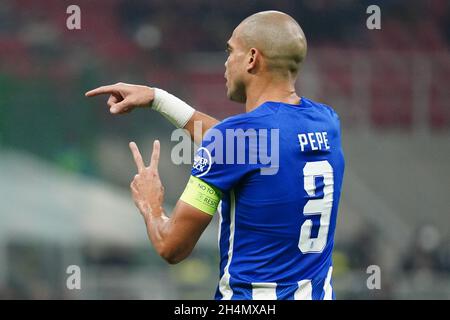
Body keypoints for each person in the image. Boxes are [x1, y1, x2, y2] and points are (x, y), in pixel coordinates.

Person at [86, 10, 345, 300]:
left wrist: (151, 205)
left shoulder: (235, 140)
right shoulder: (327, 122)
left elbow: (172, 247)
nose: (225, 63)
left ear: (251, 58)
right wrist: (158, 99)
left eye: (230, 51)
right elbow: (244, 144)